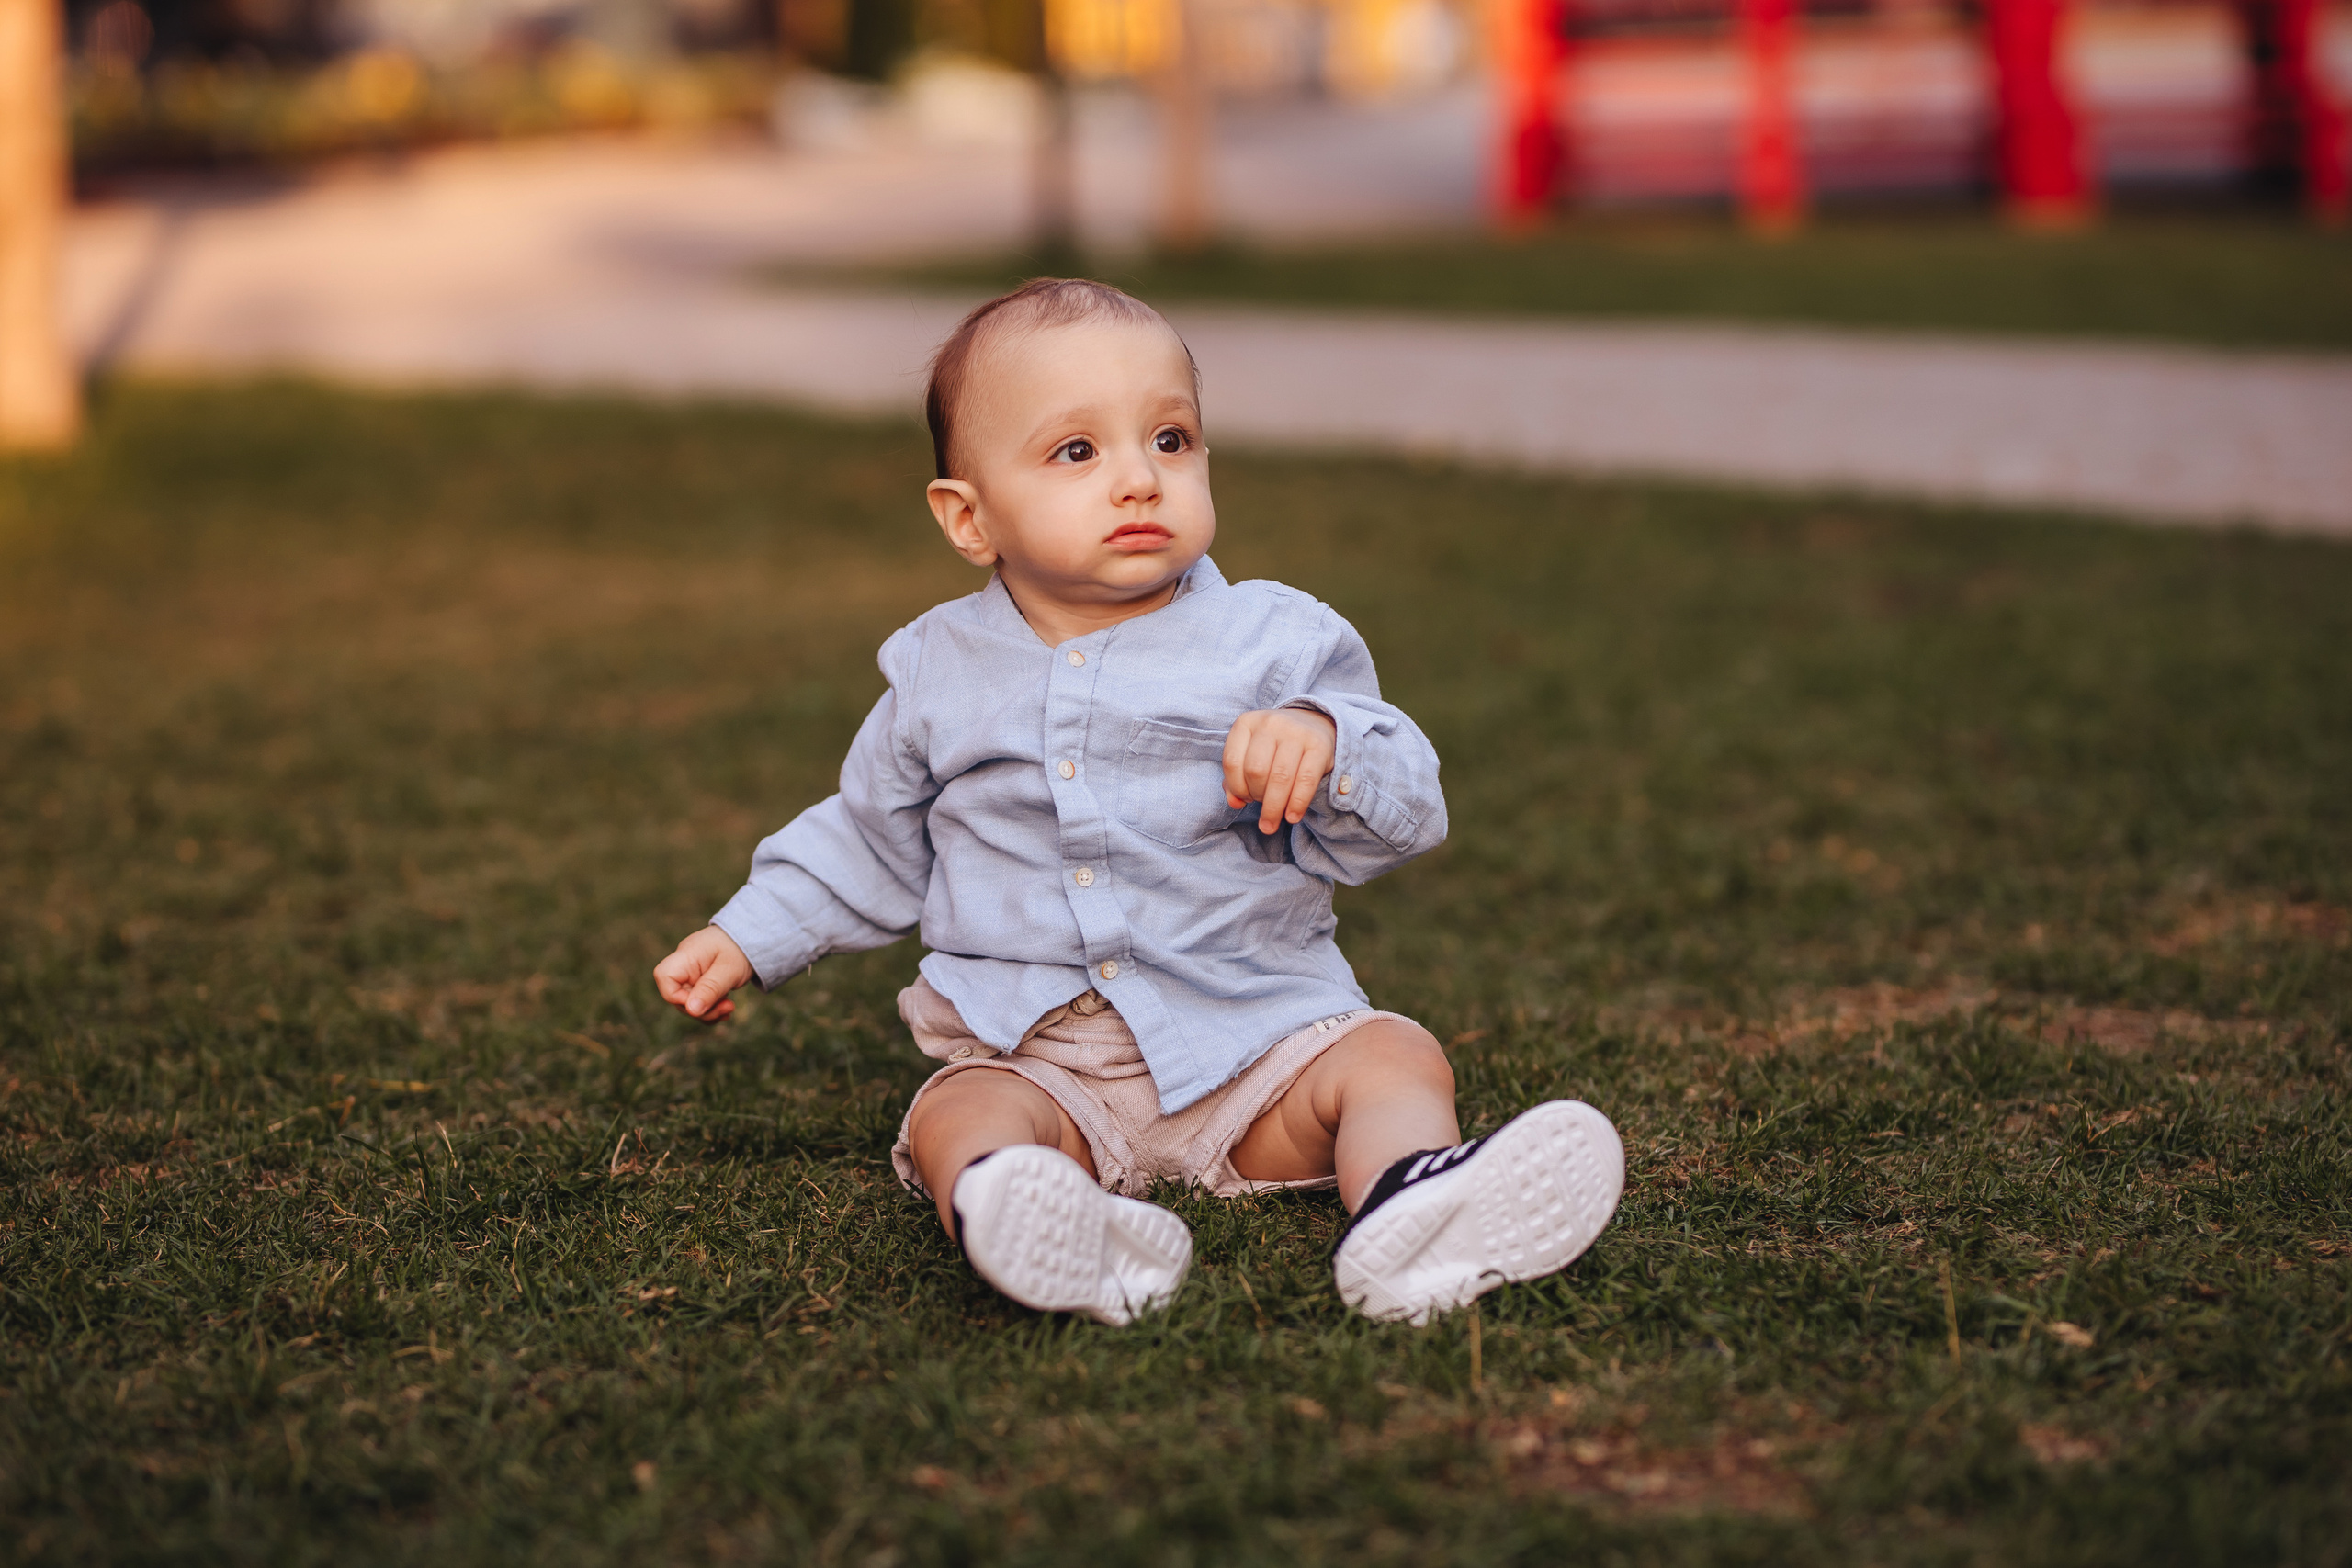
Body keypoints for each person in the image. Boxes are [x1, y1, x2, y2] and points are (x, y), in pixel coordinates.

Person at [654, 279, 1623, 1326]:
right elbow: (870, 838)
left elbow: (1406, 807)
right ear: (969, 518)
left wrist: (1328, 743)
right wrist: (750, 932)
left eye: (1170, 440)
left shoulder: (1274, 643)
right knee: (959, 1112)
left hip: (1257, 1049)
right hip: (1045, 1066)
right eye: (1077, 452)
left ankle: (1415, 1204)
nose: (1136, 481)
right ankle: (1049, 1219)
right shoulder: (939, 674)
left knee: (1391, 1055)